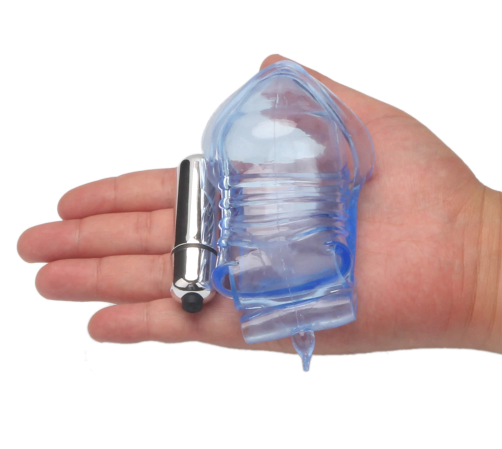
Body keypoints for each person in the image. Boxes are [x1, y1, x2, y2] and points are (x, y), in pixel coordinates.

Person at [17, 55, 502, 356]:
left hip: (263, 275)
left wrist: (480, 263)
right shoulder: (332, 151)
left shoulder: (239, 136)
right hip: (292, 271)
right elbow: (359, 165)